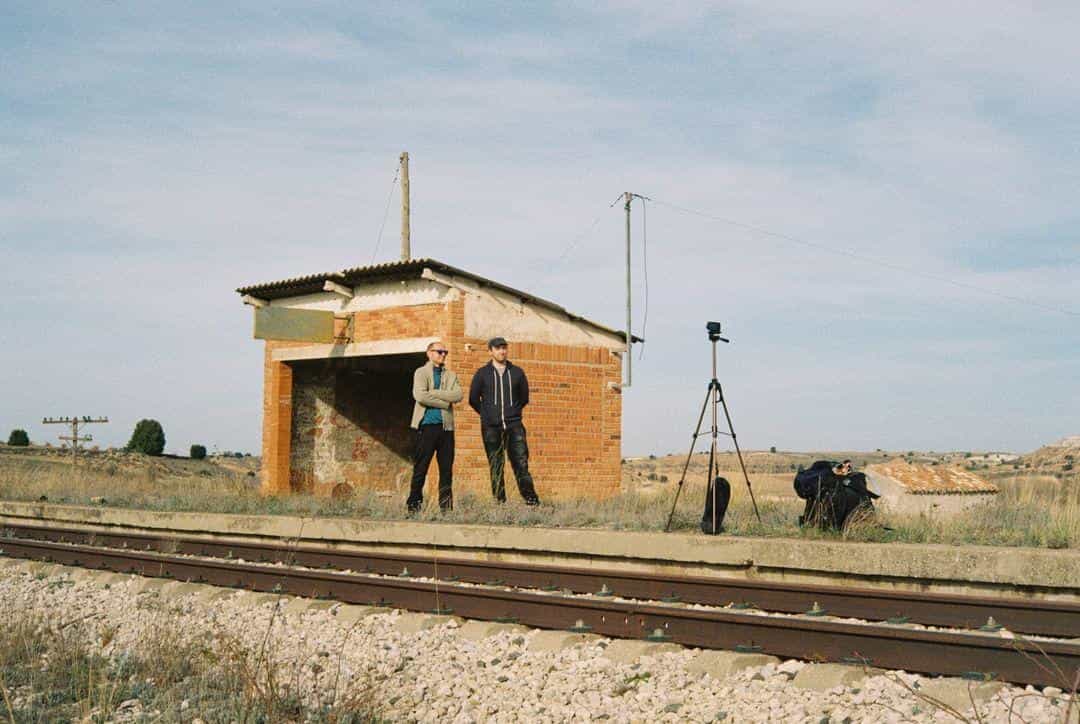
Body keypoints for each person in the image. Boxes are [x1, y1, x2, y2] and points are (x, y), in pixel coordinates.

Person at [468, 337, 541, 505]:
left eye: (504, 348)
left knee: (521, 464)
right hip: (491, 428)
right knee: (496, 465)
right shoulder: (482, 373)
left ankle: (531, 501)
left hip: (514, 427)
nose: (502, 351)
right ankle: (500, 503)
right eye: (498, 348)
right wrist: (486, 415)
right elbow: (473, 399)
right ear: (490, 351)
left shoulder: (517, 372)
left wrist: (512, 413)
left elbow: (524, 398)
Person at [407, 340, 462, 513]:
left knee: (446, 471)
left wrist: (434, 393)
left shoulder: (451, 375)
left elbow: (458, 395)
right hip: (427, 427)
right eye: (439, 351)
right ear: (429, 353)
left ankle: (446, 509)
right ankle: (413, 507)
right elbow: (420, 396)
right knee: (421, 468)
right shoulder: (421, 372)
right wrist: (445, 402)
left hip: (447, 429)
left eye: (445, 352)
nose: (443, 355)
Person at [793, 459, 878, 530]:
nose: (846, 468)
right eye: (844, 466)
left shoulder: (849, 481)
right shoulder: (829, 480)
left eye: (848, 467)